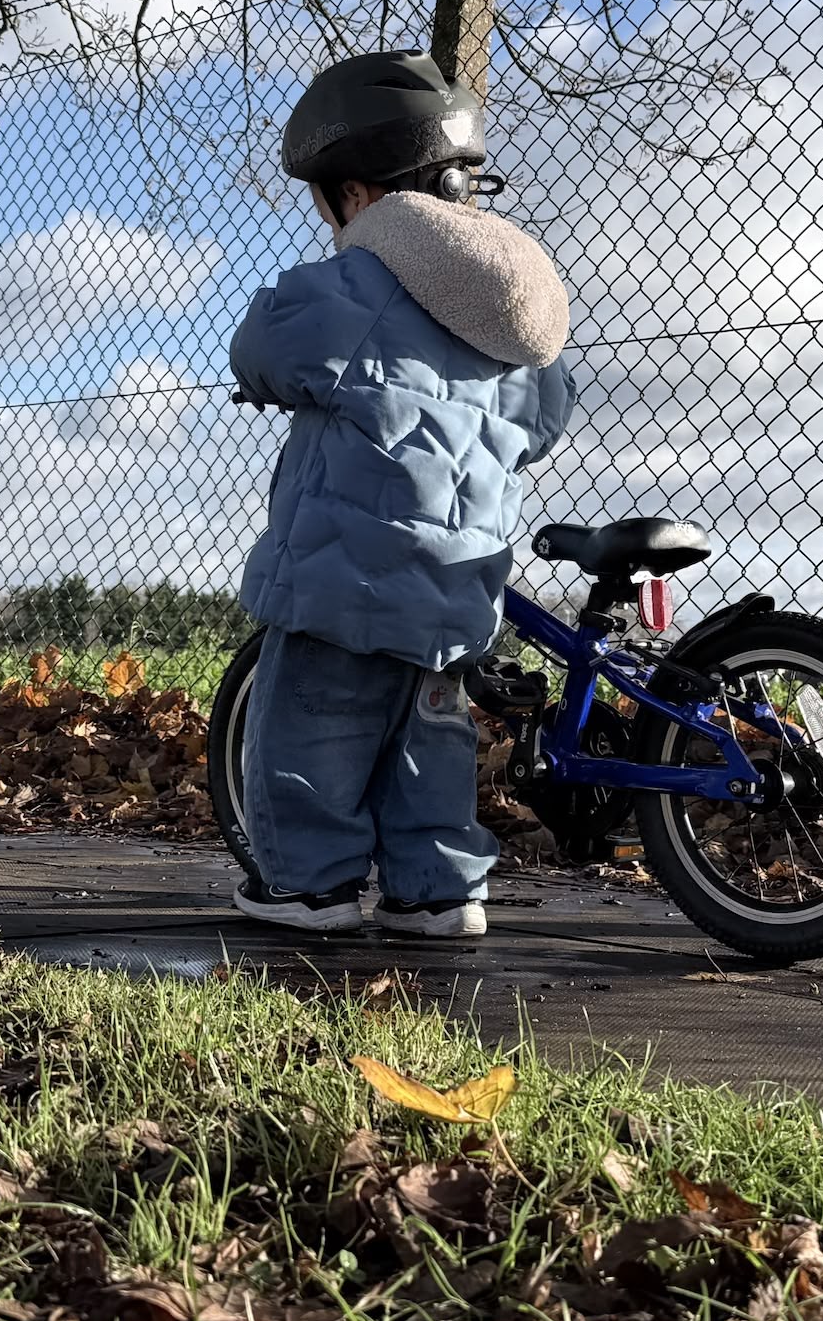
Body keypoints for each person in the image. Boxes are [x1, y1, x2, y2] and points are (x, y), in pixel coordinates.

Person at [230, 49, 577, 938]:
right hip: (458, 585)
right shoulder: (503, 313)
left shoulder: (354, 286)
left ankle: (311, 888)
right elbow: (542, 422)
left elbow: (262, 347)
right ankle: (441, 894)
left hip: (345, 579)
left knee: (310, 734)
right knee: (433, 747)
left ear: (355, 193)